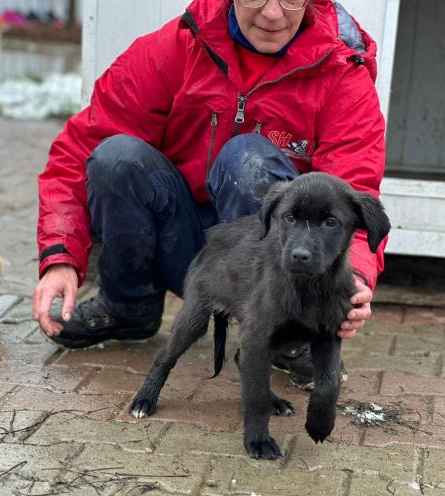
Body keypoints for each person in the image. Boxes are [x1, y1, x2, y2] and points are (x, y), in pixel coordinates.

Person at [33, 0, 387, 389]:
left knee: (246, 158)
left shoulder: (341, 72)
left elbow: (352, 195)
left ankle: (290, 334)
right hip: (180, 245)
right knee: (115, 157)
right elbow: (79, 152)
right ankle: (127, 307)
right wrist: (60, 257)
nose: (272, 14)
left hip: (275, 266)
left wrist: (353, 278)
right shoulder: (175, 47)